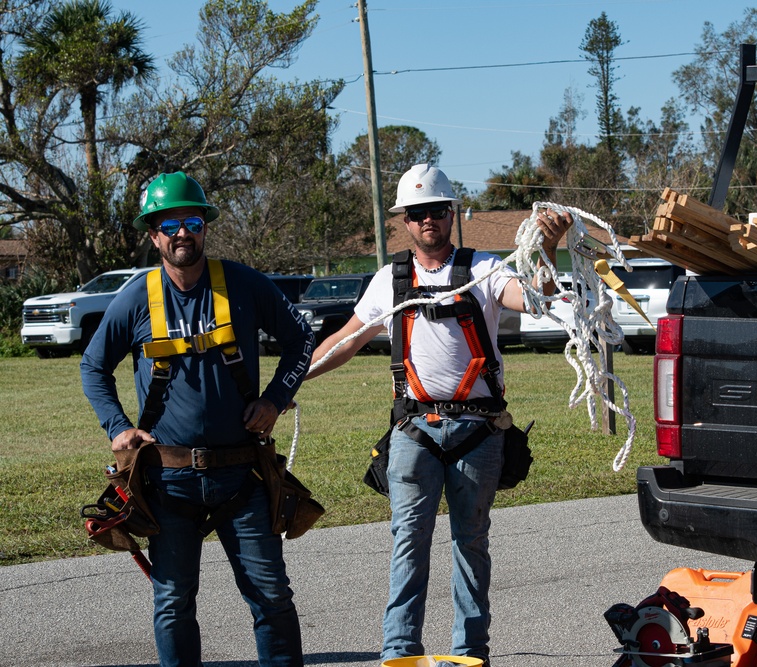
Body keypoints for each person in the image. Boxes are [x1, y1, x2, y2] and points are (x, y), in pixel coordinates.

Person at [307, 163, 571, 665]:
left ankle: (469, 654)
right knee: (409, 542)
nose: (428, 220)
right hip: (413, 431)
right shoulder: (391, 280)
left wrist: (548, 249)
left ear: (451, 214)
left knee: (470, 544)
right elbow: (348, 340)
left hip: (478, 432)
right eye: (418, 213)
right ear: (405, 221)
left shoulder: (484, 270)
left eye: (436, 211)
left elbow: (536, 299)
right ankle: (399, 650)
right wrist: (291, 384)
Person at [80, 171, 315, 667]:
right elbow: (93, 366)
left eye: (191, 221)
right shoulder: (137, 296)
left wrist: (275, 399)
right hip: (167, 480)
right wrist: (117, 427)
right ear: (154, 235)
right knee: (172, 604)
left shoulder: (244, 284)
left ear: (205, 227)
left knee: (271, 597)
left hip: (242, 474)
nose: (181, 232)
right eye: (169, 224)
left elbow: (301, 341)